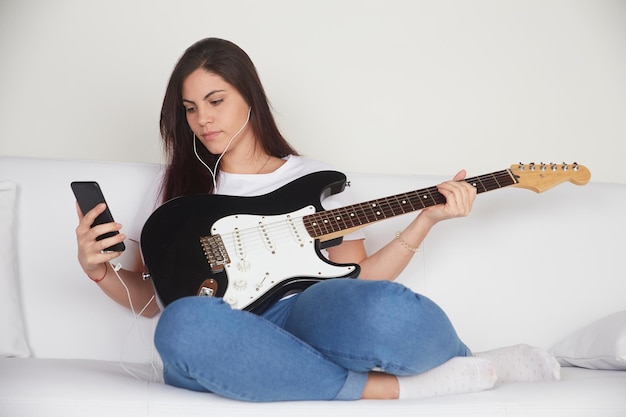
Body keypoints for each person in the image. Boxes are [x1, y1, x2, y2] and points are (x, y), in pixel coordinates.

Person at [75, 37, 560, 402]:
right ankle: (407, 388)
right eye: (190, 109)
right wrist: (100, 271)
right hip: (234, 333)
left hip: (309, 314)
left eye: (216, 101)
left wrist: (425, 220)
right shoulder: (182, 193)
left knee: (390, 311)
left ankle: (464, 361)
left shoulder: (313, 181)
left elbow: (359, 278)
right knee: (181, 327)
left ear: (249, 97)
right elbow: (154, 298)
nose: (203, 119)